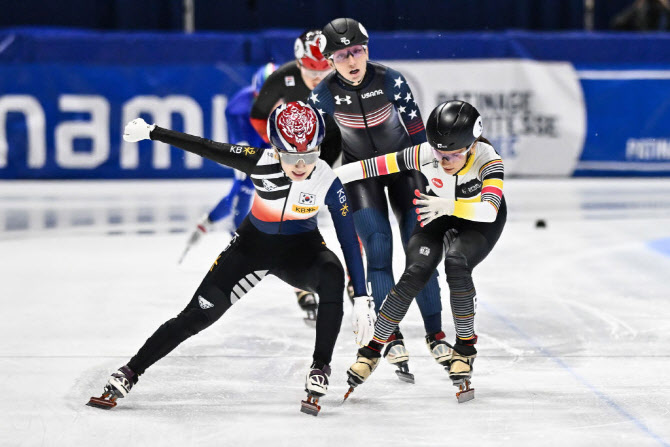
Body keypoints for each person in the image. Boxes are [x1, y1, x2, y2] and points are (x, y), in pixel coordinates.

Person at [87, 102, 376, 417]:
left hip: (301, 252)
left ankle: (320, 367)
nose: (300, 165)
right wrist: (154, 132)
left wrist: (360, 297)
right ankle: (130, 371)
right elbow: (205, 147)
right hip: (250, 250)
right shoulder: (259, 162)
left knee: (332, 273)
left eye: (308, 156)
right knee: (195, 317)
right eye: (291, 156)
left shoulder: (327, 181)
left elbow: (349, 240)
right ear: (275, 149)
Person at [338, 100, 506, 403]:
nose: (445, 160)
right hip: (437, 212)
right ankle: (372, 349)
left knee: (456, 262)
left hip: (478, 220)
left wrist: (451, 205)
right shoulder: (424, 153)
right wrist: (321, 174)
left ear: (472, 144)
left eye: (454, 154)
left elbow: (490, 210)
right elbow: (371, 167)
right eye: (440, 153)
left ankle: (465, 347)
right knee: (415, 270)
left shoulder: (487, 158)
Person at [307, 17, 443, 382]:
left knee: (421, 249)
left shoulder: (390, 80)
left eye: (358, 51)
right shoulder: (322, 94)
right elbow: (311, 145)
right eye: (342, 55)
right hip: (359, 175)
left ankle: (436, 333)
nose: (352, 62)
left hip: (403, 170)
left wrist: (435, 180)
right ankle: (392, 334)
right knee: (378, 249)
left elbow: (417, 136)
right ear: (330, 60)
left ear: (366, 50)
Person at [179, 62, 277, 263]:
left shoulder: (293, 97)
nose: (267, 106)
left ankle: (210, 222)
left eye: (273, 100)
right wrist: (240, 152)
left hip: (273, 139)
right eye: (262, 100)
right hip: (252, 140)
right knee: (245, 184)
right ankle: (239, 240)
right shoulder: (237, 108)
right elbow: (239, 137)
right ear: (255, 93)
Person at [250, 29, 341, 167]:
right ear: (298, 64)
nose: (317, 78)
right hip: (297, 142)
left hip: (338, 137)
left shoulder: (347, 77)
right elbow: (258, 117)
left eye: (324, 72)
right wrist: (275, 142)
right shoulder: (282, 77)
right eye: (311, 71)